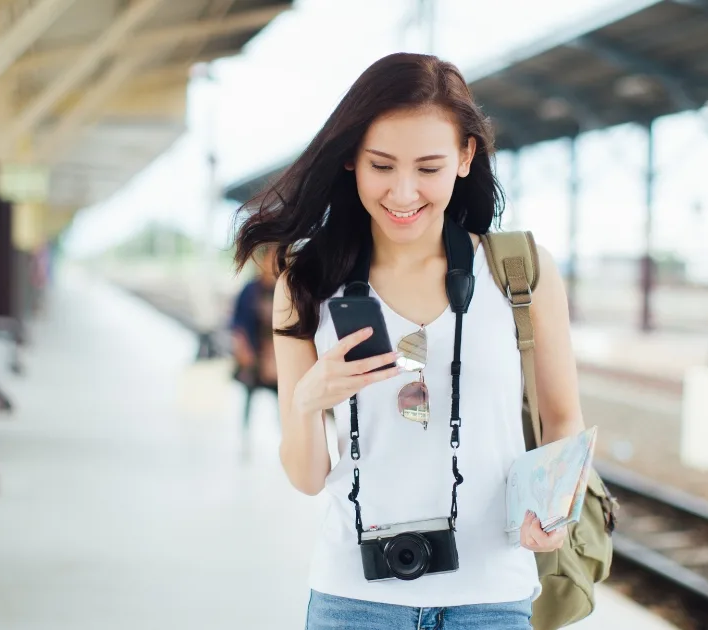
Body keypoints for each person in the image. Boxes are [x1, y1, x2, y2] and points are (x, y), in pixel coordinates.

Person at [232, 53, 587, 629]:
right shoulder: (306, 285)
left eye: (428, 167)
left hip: (492, 600)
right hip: (353, 600)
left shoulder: (521, 273)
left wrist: (552, 507)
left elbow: (562, 418)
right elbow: (304, 478)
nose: (402, 193)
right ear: (351, 159)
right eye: (381, 165)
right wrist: (307, 398)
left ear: (466, 157)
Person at [229, 245, 280, 452]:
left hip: (278, 360)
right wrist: (243, 351)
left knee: (282, 402)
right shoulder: (250, 290)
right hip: (254, 356)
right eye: (269, 259)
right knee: (249, 399)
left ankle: (284, 442)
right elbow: (238, 323)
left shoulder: (284, 289)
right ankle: (245, 439)